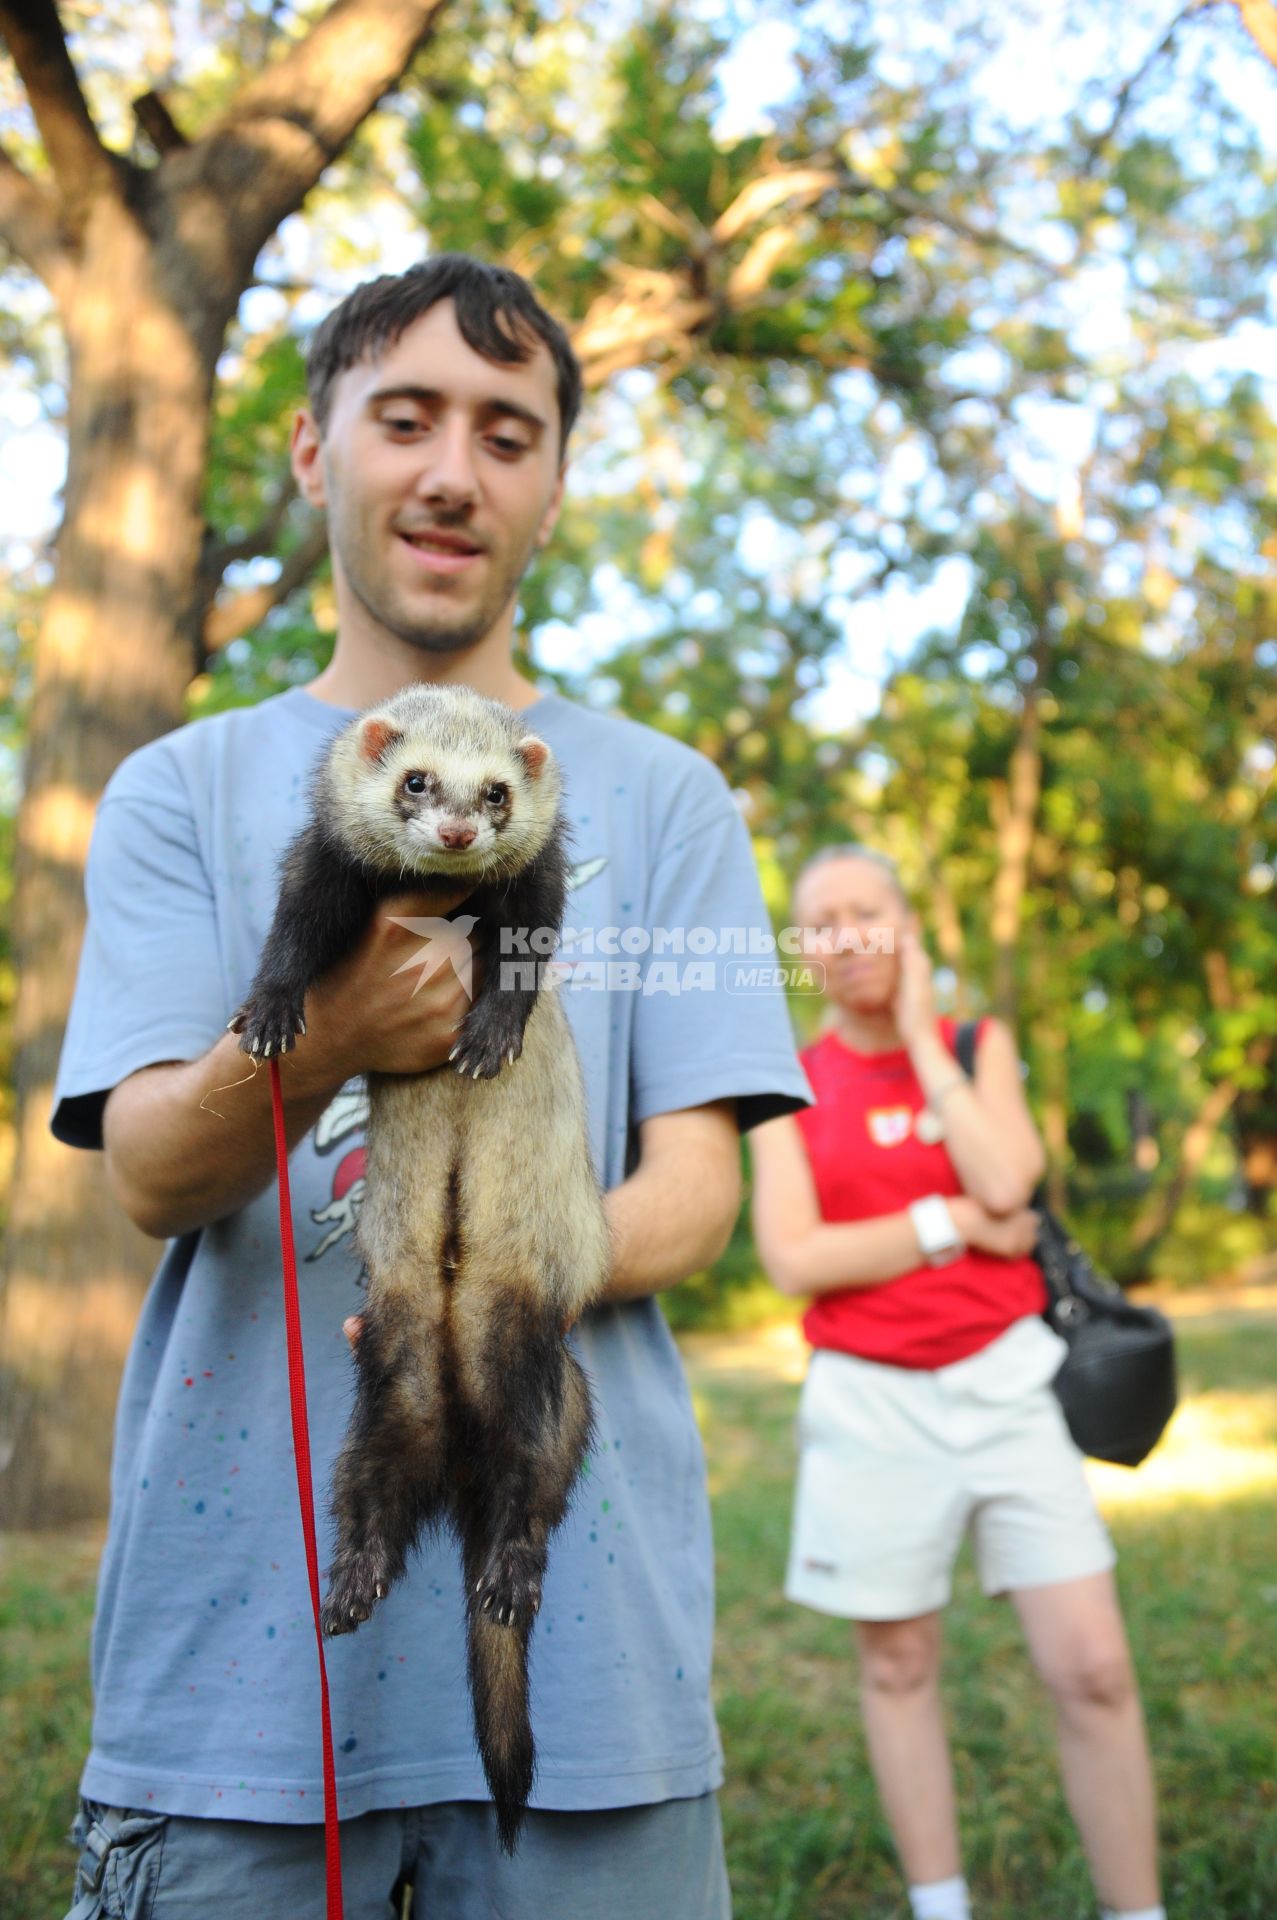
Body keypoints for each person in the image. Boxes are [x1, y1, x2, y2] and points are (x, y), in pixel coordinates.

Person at [51, 253, 810, 1920]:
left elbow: (697, 1194)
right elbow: (154, 1181)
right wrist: (322, 1037)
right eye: (405, 418)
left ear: (553, 479)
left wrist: (485, 1288)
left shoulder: (667, 803)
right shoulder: (181, 788)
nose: (453, 470)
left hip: (599, 1685)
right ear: (317, 450)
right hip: (230, 1711)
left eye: (508, 430)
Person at [748, 846, 1164, 1920]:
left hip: (1006, 1387)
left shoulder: (978, 1047)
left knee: (1093, 1668)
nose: (845, 938)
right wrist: (947, 1228)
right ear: (803, 949)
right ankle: (941, 1906)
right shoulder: (787, 1079)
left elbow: (1007, 1181)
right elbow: (795, 1258)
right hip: (867, 1400)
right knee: (895, 1668)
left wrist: (928, 1045)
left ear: (906, 923)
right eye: (821, 922)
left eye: (864, 912)